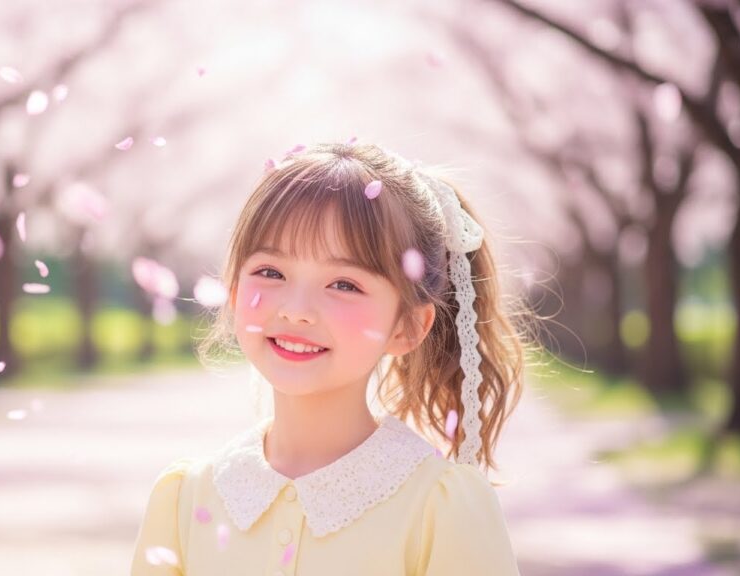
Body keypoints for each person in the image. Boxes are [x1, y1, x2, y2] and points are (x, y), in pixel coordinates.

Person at [131, 142, 533, 575]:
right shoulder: (187, 500)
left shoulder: (437, 507)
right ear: (232, 292)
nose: (296, 308)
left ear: (408, 326)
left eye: (344, 284)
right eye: (271, 272)